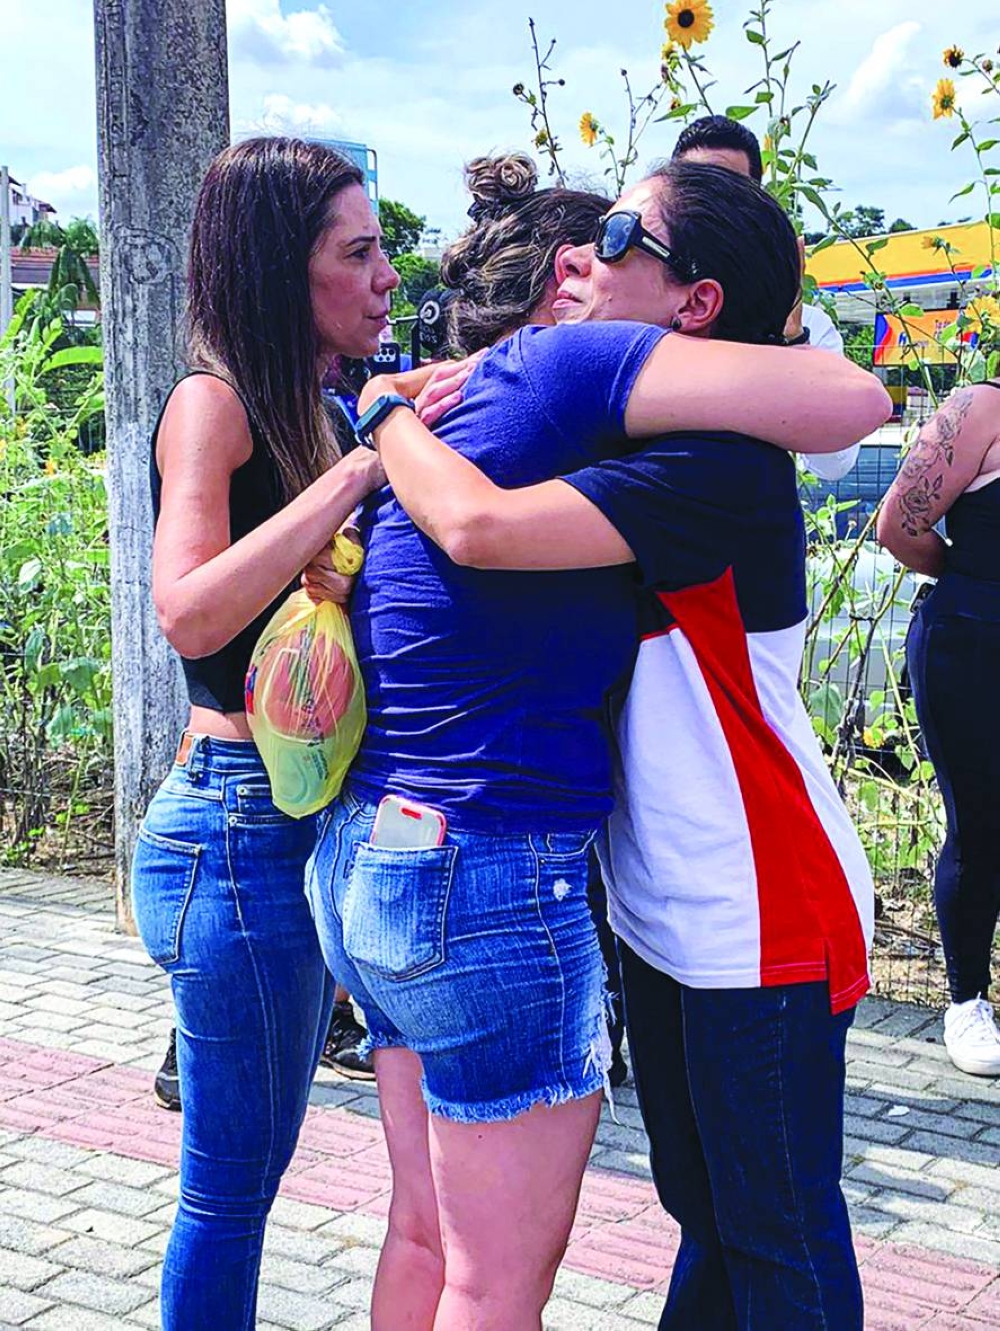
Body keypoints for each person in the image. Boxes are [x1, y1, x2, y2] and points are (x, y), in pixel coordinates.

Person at [308, 160, 888, 1330]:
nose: (585, 253)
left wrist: (388, 409)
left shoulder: (708, 466)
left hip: (756, 900)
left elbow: (480, 525)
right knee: (709, 1213)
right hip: (663, 899)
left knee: (777, 1234)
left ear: (696, 305)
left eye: (621, 232)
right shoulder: (634, 435)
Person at [130, 136, 394, 1330]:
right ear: (284, 269)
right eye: (360, 250)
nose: (388, 273)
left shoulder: (316, 406)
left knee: (255, 1179)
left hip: (281, 826)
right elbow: (184, 606)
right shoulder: (213, 402)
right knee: (230, 1193)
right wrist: (347, 488)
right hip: (231, 832)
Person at [877, 381, 1000, 1076]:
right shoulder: (980, 409)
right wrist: (974, 580)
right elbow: (898, 524)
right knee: (980, 823)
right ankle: (966, 1001)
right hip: (971, 645)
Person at [673, 114, 861, 482]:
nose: (710, 208)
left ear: (755, 203)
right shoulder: (633, 305)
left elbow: (834, 465)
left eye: (728, 191)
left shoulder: (803, 326)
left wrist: (791, 341)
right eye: (694, 188)